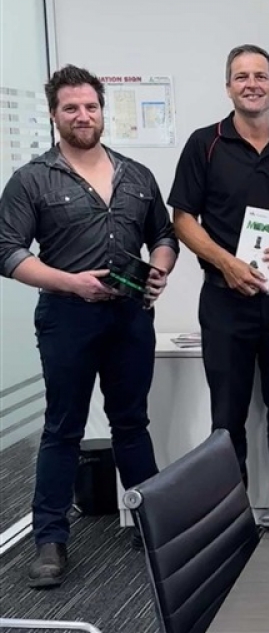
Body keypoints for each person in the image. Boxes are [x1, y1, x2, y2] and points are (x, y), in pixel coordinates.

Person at [0, 65, 178, 587]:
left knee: (132, 423)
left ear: (103, 111)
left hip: (130, 317)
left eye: (90, 106)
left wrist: (160, 268)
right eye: (71, 108)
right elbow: (7, 252)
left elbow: (164, 235)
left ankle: (148, 525)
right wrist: (69, 283)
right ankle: (50, 540)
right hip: (67, 318)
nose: (83, 115)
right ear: (54, 115)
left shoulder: (136, 174)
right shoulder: (32, 178)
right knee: (63, 428)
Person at [168, 44, 269, 501]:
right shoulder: (205, 144)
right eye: (241, 76)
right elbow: (183, 219)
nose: (251, 84)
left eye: (260, 76)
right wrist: (226, 263)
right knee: (226, 422)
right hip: (224, 301)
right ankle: (231, 521)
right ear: (228, 87)